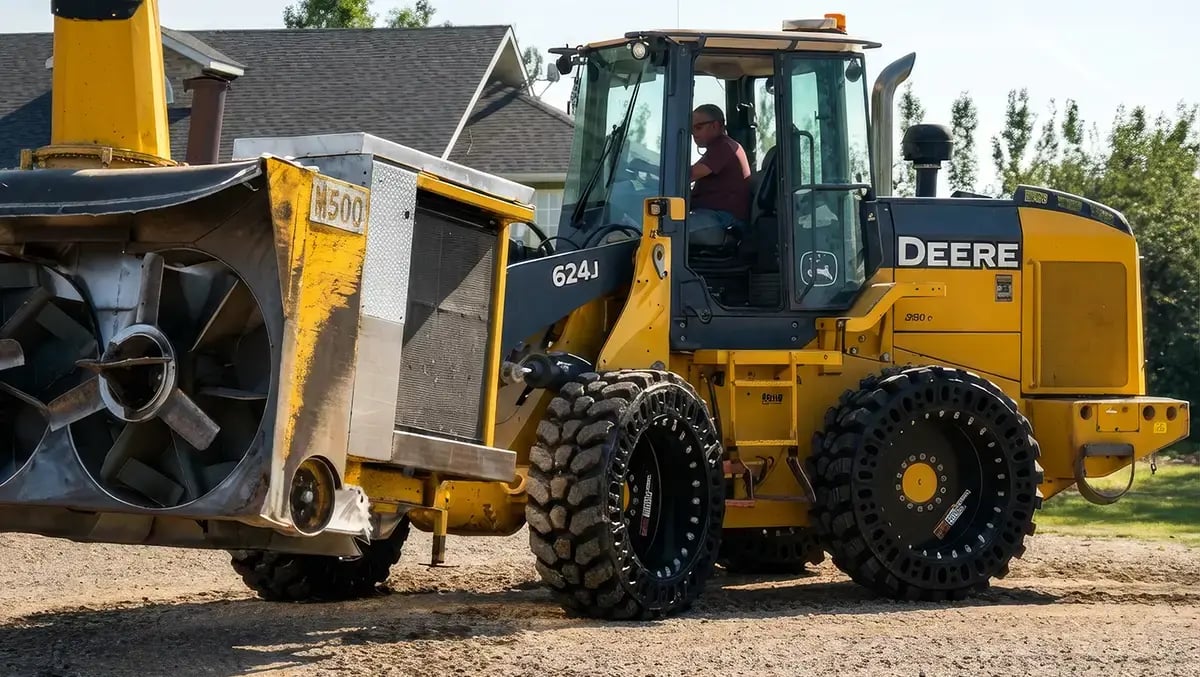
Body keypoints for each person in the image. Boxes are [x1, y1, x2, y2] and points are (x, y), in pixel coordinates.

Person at [688, 104, 751, 248]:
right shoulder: (716, 149)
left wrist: (652, 170)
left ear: (715, 125)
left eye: (698, 127)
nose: (693, 134)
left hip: (724, 219)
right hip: (713, 215)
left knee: (661, 230)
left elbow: (688, 175)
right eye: (691, 129)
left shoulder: (724, 147)